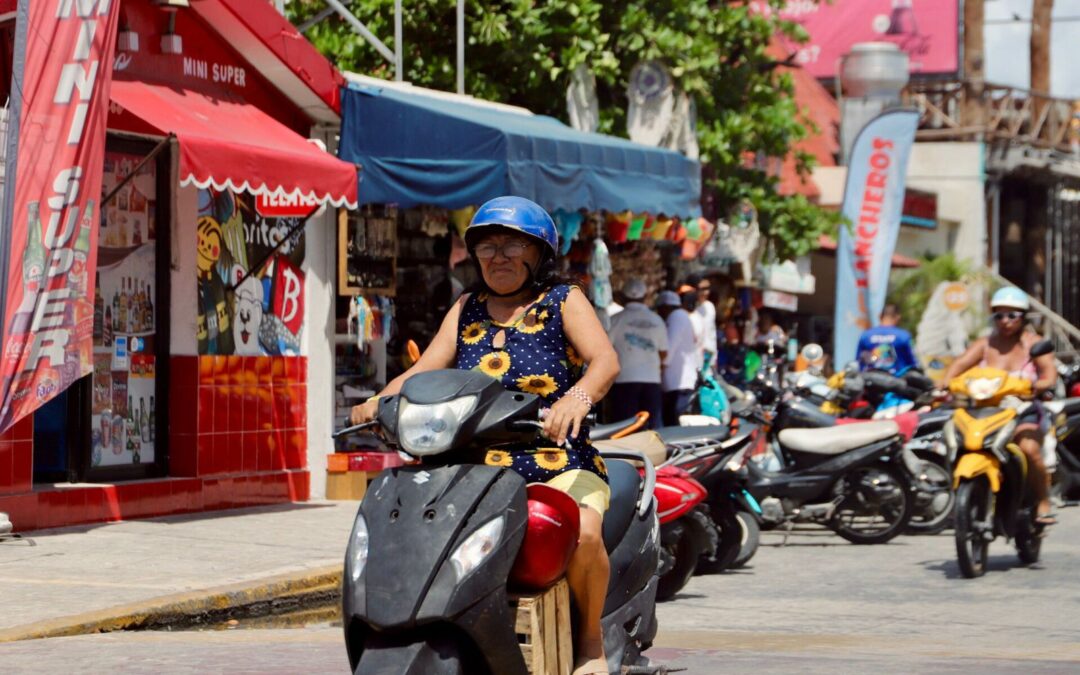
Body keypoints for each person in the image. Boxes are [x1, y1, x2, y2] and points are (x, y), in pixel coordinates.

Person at [350, 196, 620, 675]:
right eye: (488, 246)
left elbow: (604, 362)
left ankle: (591, 642)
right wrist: (378, 402)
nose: (499, 256)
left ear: (539, 254)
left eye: (513, 245)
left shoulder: (563, 300)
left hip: (555, 458)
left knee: (584, 532)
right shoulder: (467, 308)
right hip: (473, 463)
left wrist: (575, 401)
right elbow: (423, 370)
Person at [944, 287, 1057, 525]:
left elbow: (1049, 375)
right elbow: (959, 365)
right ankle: (961, 498)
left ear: (1023, 317)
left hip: (1023, 410)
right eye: (999, 315)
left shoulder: (1033, 344)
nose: (1005, 321)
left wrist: (1037, 385)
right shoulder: (985, 344)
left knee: (1028, 449)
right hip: (986, 410)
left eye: (1012, 315)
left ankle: (1043, 500)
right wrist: (942, 385)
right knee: (955, 443)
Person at [607, 278, 667, 428]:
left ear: (622, 297)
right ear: (645, 296)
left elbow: (606, 349)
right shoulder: (657, 320)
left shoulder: (615, 319)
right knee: (652, 429)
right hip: (651, 380)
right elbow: (664, 352)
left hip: (624, 380)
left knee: (623, 429)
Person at [657, 290, 699, 426]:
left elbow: (669, 349)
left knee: (674, 425)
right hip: (680, 382)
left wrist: (658, 370)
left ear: (665, 307)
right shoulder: (682, 316)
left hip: (677, 383)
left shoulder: (676, 317)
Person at [856, 303, 918, 375]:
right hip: (898, 381)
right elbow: (914, 363)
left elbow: (859, 363)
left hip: (871, 381)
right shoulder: (903, 336)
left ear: (879, 316)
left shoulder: (866, 335)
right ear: (898, 317)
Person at [692, 276, 719, 371]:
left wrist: (714, 358)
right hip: (693, 359)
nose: (706, 293)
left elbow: (712, 334)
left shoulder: (710, 307)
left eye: (708, 289)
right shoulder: (689, 308)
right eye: (702, 289)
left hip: (708, 359)